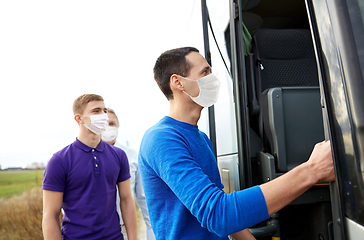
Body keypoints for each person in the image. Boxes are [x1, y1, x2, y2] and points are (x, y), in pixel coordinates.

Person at [138, 47, 335, 240]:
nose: (212, 78)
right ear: (178, 82)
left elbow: (224, 214)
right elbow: (218, 215)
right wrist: (312, 170)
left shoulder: (201, 138)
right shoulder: (161, 139)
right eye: (205, 72)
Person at [42, 94, 137, 240]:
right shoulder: (59, 161)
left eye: (104, 110)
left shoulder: (119, 155)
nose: (103, 115)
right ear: (79, 118)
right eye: (96, 111)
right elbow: (50, 215)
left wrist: (133, 238)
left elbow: (126, 200)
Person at [102, 108, 156, 240]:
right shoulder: (87, 156)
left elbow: (142, 197)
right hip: (96, 229)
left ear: (118, 127)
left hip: (123, 229)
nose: (109, 127)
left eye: (112, 124)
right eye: (105, 124)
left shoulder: (131, 155)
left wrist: (151, 230)